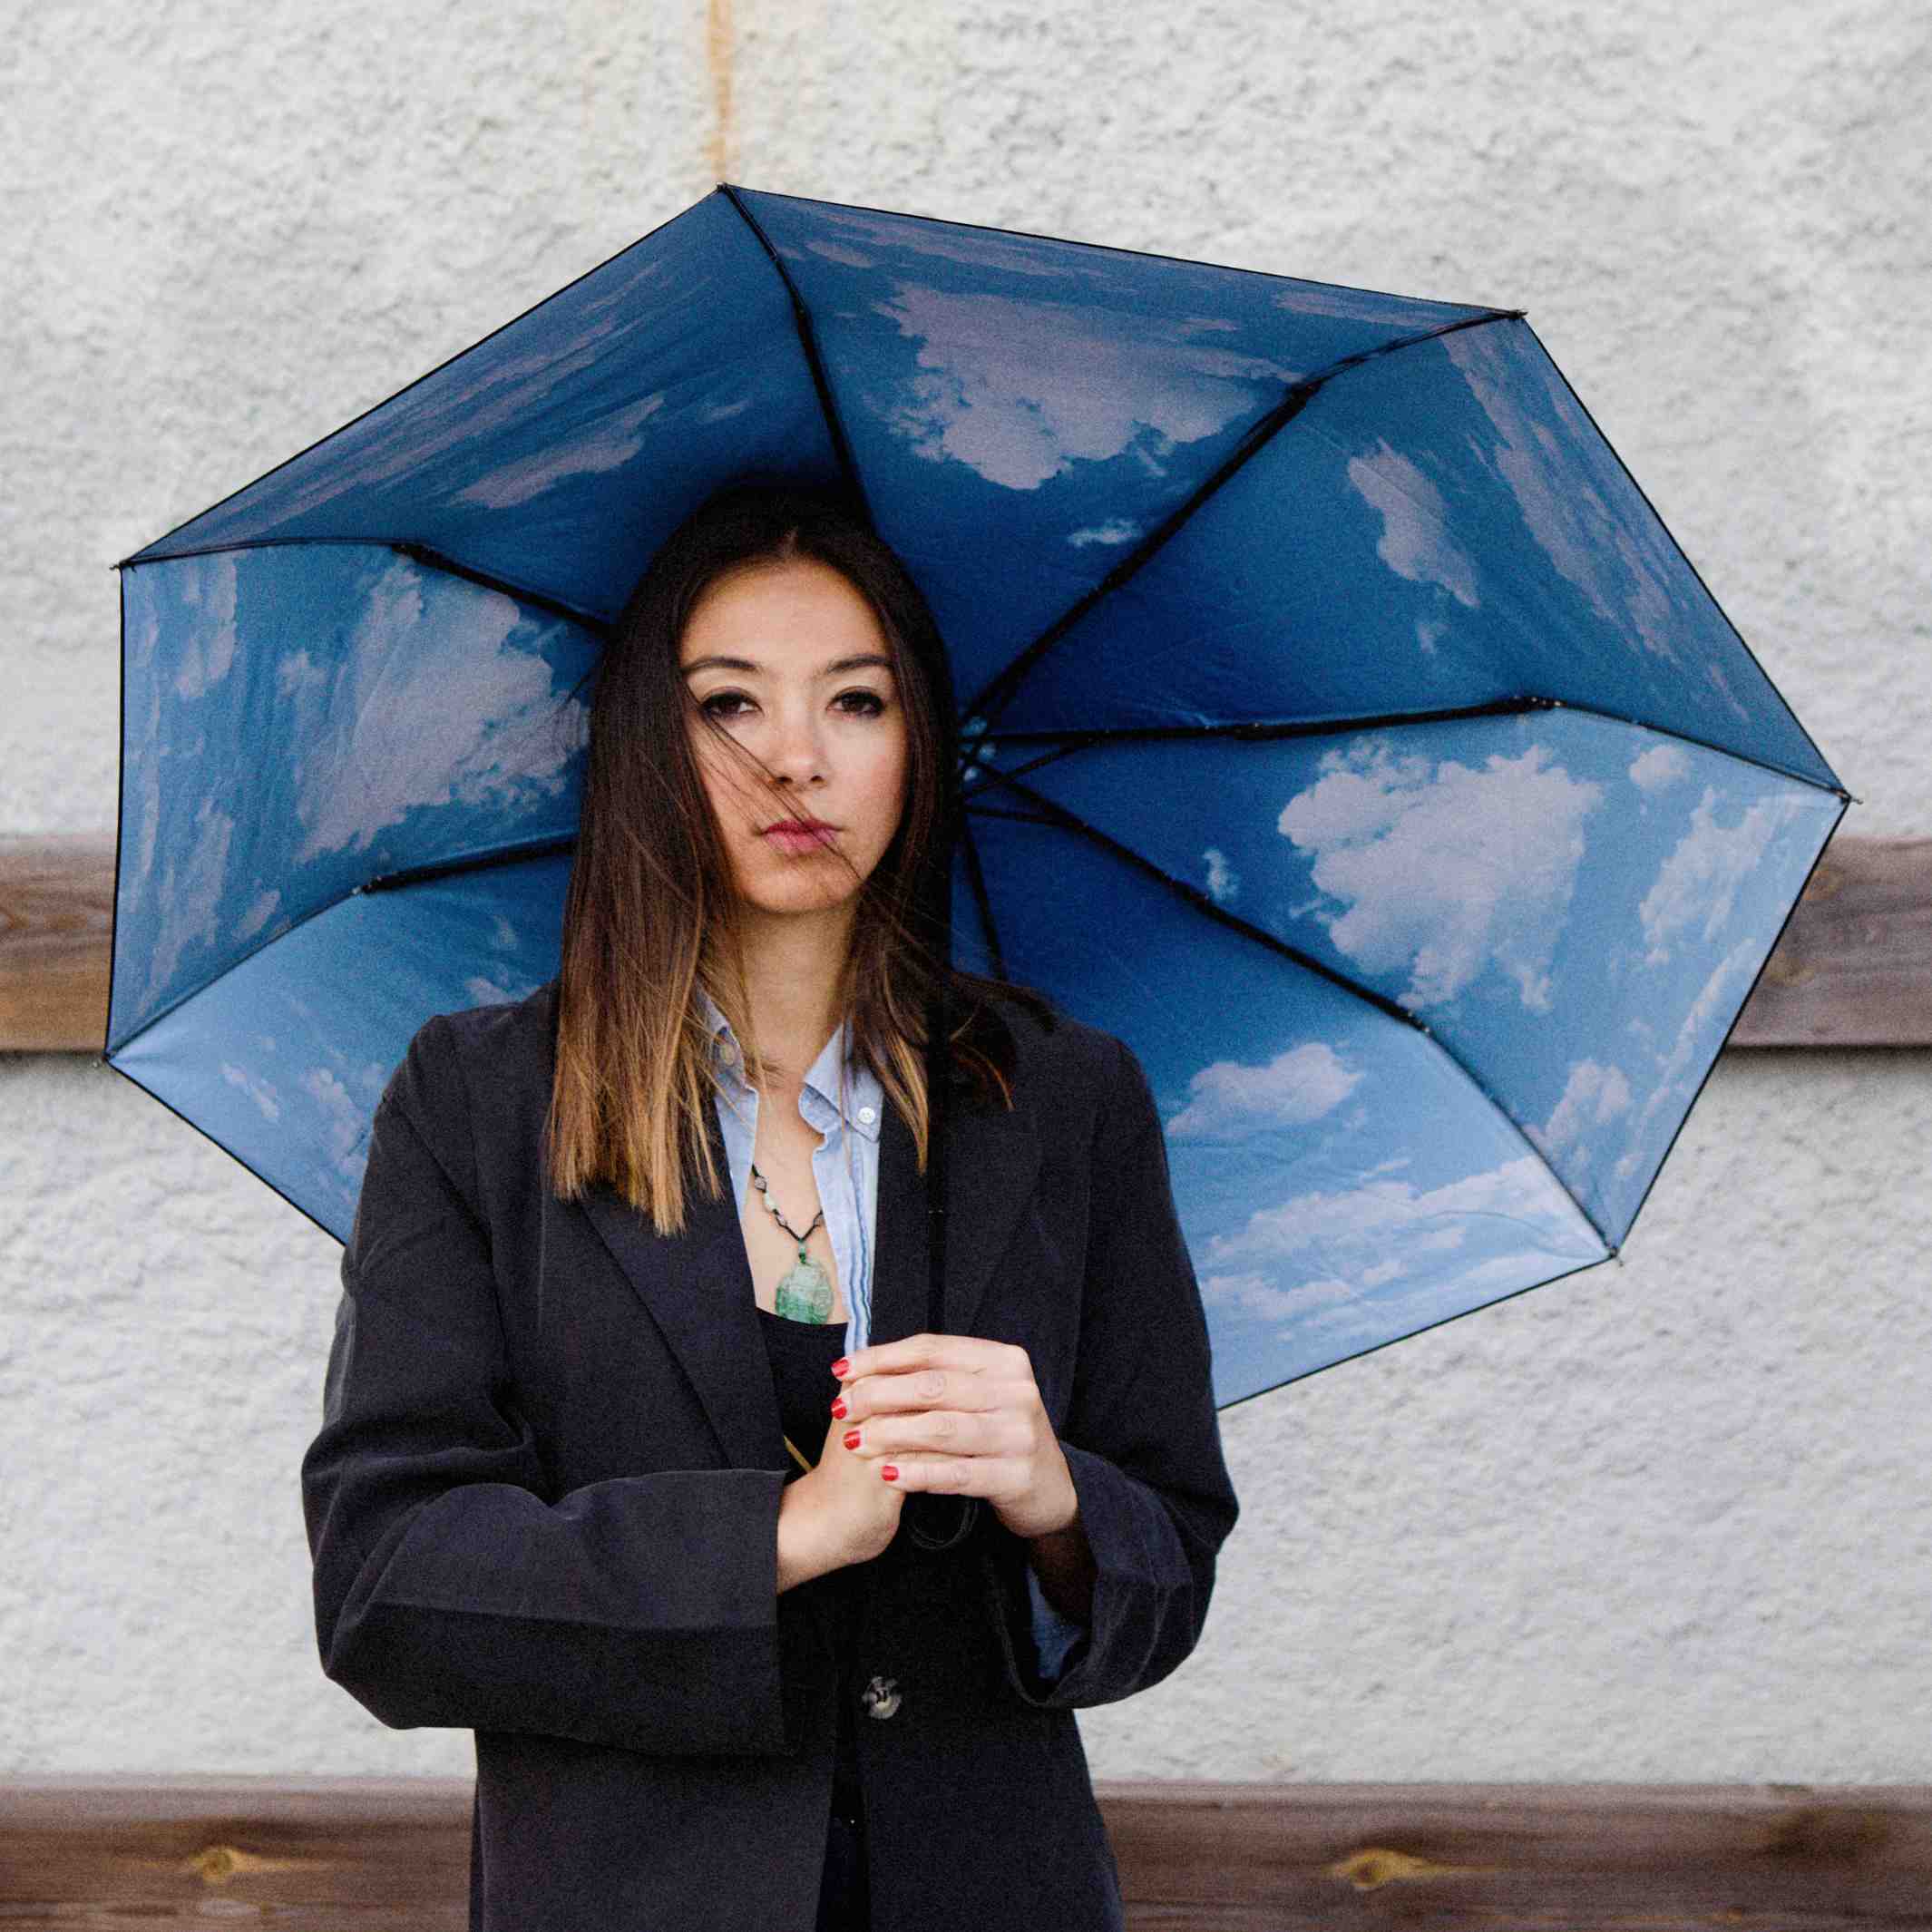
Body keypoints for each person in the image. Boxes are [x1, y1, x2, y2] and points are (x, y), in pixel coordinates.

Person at [300, 480, 1240, 1932]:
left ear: (918, 744)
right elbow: (388, 1589)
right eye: (729, 705)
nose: (796, 760)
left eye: (856, 704)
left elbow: (1166, 1563)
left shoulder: (1061, 1097)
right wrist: (777, 1536)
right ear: (647, 748)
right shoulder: (480, 1101)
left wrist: (1059, 1500)